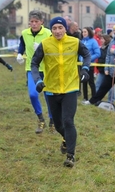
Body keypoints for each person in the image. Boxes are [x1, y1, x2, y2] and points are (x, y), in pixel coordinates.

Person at [31, 17, 91, 168]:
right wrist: (38, 79)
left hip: (70, 88)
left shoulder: (75, 42)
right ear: (51, 30)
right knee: (58, 125)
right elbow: (34, 63)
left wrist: (85, 69)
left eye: (60, 27)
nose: (57, 31)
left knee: (68, 121)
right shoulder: (45, 44)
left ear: (65, 28)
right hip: (51, 89)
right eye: (54, 28)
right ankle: (66, 138)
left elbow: (87, 55)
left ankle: (70, 155)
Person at [16, 9, 53, 134]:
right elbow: (22, 44)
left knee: (49, 96)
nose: (34, 24)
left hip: (47, 69)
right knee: (33, 94)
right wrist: (20, 54)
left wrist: (44, 49)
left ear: (41, 22)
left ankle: (52, 121)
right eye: (32, 21)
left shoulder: (48, 33)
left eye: (36, 21)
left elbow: (54, 49)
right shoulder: (25, 33)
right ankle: (40, 118)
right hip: (32, 69)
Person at [82, 35, 115, 106]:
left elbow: (112, 52)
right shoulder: (112, 41)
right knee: (103, 87)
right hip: (111, 71)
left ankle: (111, 101)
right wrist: (106, 68)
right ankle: (92, 101)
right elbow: (108, 56)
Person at [80, 27, 100, 101]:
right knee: (84, 82)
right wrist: (80, 59)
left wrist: (88, 59)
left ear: (89, 32)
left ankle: (94, 98)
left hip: (89, 65)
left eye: (85, 32)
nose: (83, 33)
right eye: (82, 32)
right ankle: (85, 98)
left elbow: (98, 53)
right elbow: (79, 53)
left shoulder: (93, 41)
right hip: (82, 65)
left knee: (91, 82)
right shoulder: (81, 41)